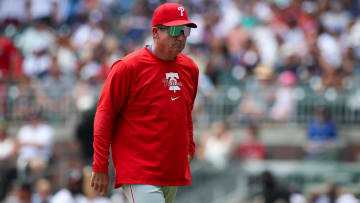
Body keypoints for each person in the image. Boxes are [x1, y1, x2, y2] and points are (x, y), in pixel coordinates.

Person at [90, 3, 198, 203]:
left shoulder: (190, 68)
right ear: (156, 32)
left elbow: (185, 113)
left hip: (172, 168)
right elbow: (104, 116)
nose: (181, 36)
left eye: (185, 30)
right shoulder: (128, 67)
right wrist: (100, 166)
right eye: (174, 30)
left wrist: (189, 148)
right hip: (138, 169)